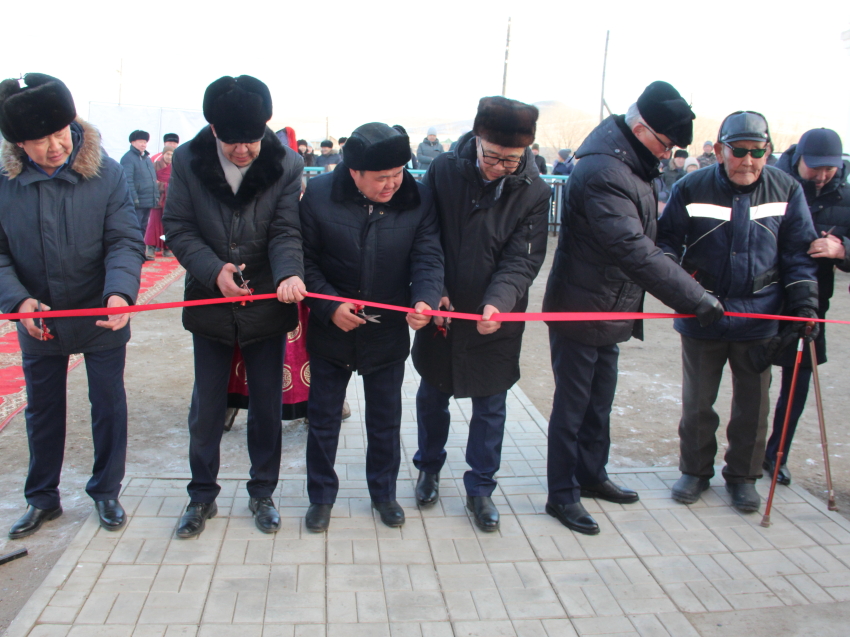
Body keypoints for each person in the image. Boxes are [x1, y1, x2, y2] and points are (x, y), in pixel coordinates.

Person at [541, 81, 721, 535]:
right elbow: (633, 248)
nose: (666, 154)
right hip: (581, 308)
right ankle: (561, 494)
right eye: (664, 144)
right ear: (641, 128)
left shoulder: (633, 163)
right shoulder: (604, 170)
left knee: (599, 403)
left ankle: (591, 475)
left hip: (612, 307)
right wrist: (694, 299)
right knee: (573, 408)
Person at [0, 73, 145, 539]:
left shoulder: (106, 172)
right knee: (42, 410)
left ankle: (106, 490)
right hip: (38, 315)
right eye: (39, 140)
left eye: (59, 132)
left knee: (107, 403)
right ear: (19, 144)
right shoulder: (6, 183)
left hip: (99, 310)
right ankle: (42, 497)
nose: (54, 146)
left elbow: (124, 239)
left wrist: (120, 292)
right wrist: (19, 301)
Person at [162, 75, 306, 538]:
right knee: (207, 406)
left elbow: (286, 229)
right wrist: (213, 270)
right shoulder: (188, 159)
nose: (242, 150)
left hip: (266, 299)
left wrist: (288, 273)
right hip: (210, 299)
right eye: (231, 142)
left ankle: (263, 491)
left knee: (266, 404)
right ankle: (201, 495)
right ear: (213, 131)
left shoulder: (286, 162)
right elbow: (179, 226)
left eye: (250, 141)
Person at [657, 111, 818, 513]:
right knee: (697, 403)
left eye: (758, 151)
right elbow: (665, 249)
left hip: (759, 317)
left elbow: (798, 254)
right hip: (702, 314)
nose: (748, 160)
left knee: (753, 406)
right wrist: (688, 297)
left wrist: (805, 306)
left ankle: (743, 476)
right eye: (739, 151)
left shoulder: (787, 189)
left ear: (768, 151)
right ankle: (694, 470)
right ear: (718, 150)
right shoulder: (691, 187)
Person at [412, 97, 550, 532]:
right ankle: (429, 467)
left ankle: (481, 488)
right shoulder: (443, 171)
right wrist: (436, 292)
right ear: (476, 140)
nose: (499, 167)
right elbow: (427, 237)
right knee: (433, 394)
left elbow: (522, 260)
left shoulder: (535, 190)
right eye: (491, 156)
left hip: (495, 315)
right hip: (444, 310)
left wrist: (501, 301)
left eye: (511, 160)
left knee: (491, 404)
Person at [300, 123, 443, 532]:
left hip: (387, 329)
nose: (392, 184)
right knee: (324, 418)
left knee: (385, 419)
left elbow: (428, 255)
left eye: (398, 173)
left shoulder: (416, 197)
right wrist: (329, 306)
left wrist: (425, 299)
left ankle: (384, 494)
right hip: (333, 329)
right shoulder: (320, 195)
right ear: (354, 173)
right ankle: (321, 497)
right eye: (382, 178)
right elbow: (304, 261)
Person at [760, 128, 850, 485]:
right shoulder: (773, 184)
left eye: (829, 168)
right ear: (799, 160)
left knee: (796, 385)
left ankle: (776, 454)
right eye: (815, 168)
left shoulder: (845, 195)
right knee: (755, 382)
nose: (822, 175)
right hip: (766, 299)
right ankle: (745, 456)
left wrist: (843, 250)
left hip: (812, 305)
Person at [120, 130, 159, 260]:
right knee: (134, 228)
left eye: (145, 142)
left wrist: (155, 196)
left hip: (147, 200)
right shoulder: (128, 158)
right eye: (141, 141)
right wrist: (134, 198)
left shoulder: (146, 158)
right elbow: (127, 180)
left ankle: (140, 252)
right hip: (137, 201)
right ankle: (132, 253)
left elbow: (153, 178)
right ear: (133, 142)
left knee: (143, 228)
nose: (143, 144)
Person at [145, 148, 175, 257]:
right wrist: (165, 185)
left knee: (167, 224)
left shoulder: (175, 166)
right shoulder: (155, 165)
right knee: (153, 223)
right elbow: (152, 181)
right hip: (158, 198)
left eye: (172, 154)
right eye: (167, 154)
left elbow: (177, 181)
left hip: (170, 200)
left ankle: (166, 248)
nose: (169, 156)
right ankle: (150, 248)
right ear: (163, 154)